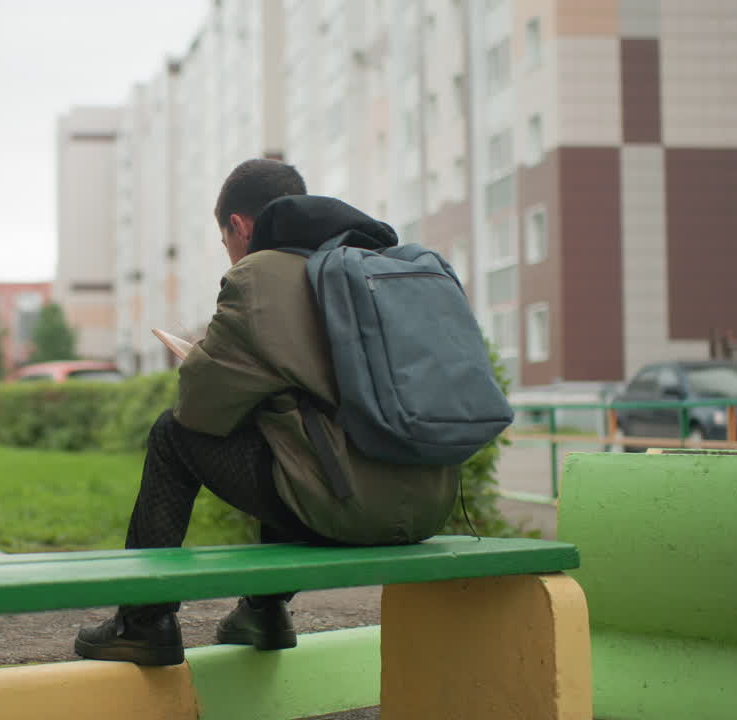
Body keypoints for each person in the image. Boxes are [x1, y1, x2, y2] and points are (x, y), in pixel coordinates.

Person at [73, 158, 459, 666]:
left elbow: (198, 411)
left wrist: (206, 361)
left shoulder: (259, 275)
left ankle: (143, 622)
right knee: (293, 428)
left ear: (240, 226)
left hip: (350, 506)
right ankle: (264, 610)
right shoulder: (377, 264)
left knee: (171, 435)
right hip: (432, 501)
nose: (231, 254)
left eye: (225, 241)